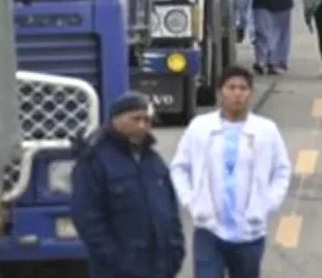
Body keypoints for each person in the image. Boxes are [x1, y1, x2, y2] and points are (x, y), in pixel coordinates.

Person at [170, 66, 292, 278]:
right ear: (220, 93)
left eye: (243, 88)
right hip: (209, 230)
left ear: (250, 94)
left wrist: (268, 202)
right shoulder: (200, 127)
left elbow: (281, 170)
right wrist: (191, 201)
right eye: (231, 88)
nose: (237, 94)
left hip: (250, 233)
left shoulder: (266, 130)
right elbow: (180, 167)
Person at [71, 92, 185, 278]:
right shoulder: (95, 161)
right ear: (116, 119)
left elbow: (171, 210)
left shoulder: (153, 161)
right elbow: (87, 217)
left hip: (160, 268)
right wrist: (116, 260)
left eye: (147, 120)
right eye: (135, 119)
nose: (142, 125)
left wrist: (176, 251)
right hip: (117, 271)